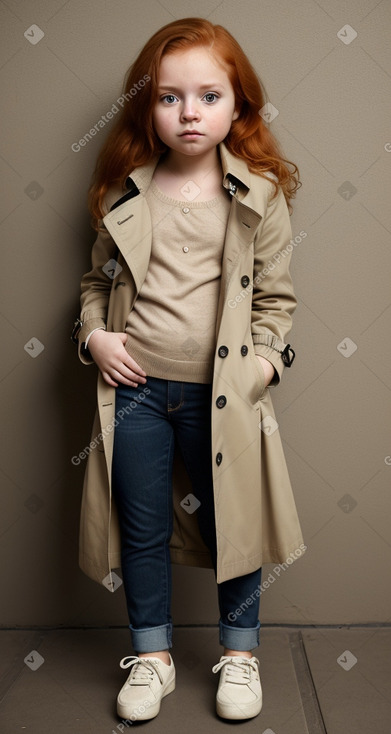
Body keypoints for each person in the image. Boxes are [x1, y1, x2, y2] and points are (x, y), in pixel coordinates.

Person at [73, 17, 305, 723]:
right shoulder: (123, 192)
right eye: (170, 97)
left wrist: (264, 363)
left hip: (224, 397)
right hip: (136, 393)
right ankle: (153, 658)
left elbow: (277, 298)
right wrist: (95, 340)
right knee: (139, 526)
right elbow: (93, 285)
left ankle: (238, 657)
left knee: (233, 525)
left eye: (208, 95)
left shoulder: (257, 194)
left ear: (238, 105)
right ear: (148, 106)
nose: (189, 111)